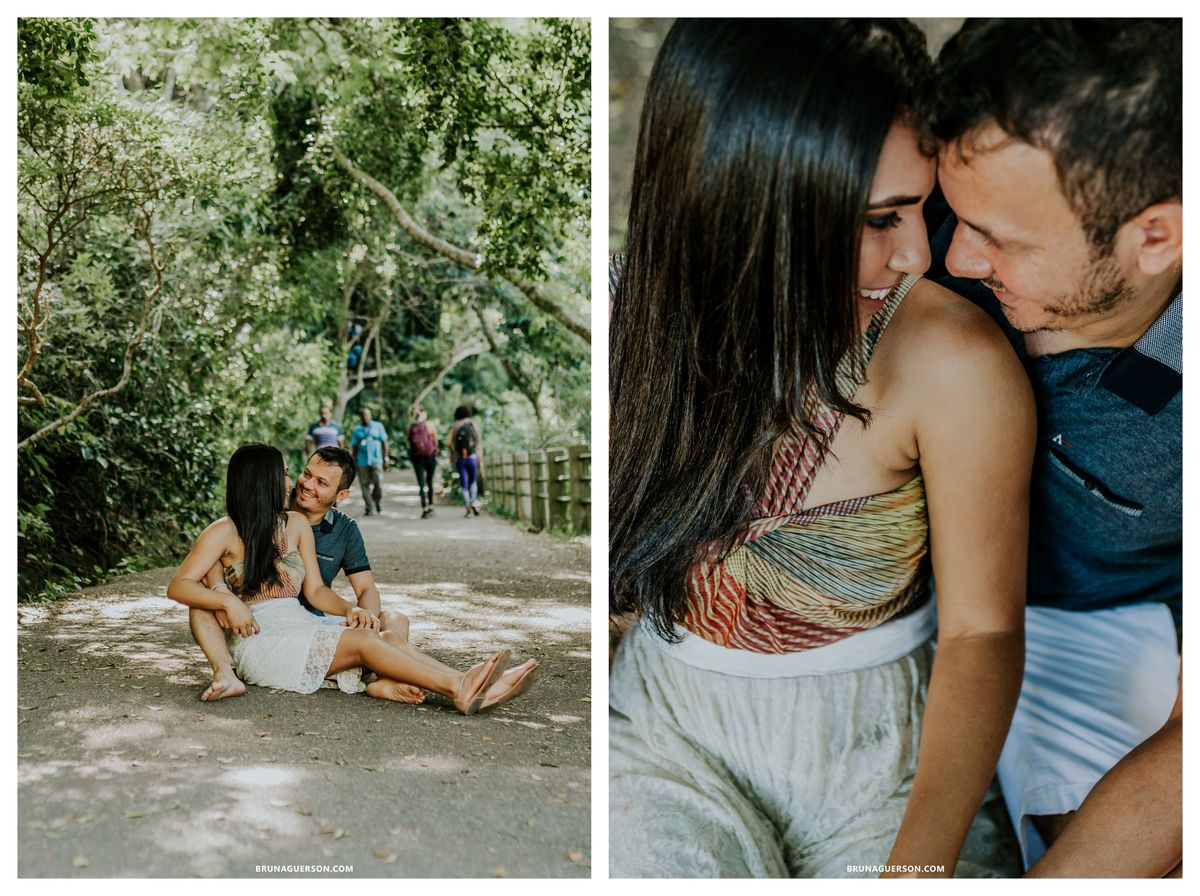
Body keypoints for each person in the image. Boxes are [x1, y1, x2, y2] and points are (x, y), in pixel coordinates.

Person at [608, 20, 1035, 878]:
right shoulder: (632, 332)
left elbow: (983, 630)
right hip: (667, 732)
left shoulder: (951, 360)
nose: (918, 253)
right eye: (880, 219)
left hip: (884, 756)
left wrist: (916, 872)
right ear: (746, 204)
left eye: (921, 206)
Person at [927, 19, 1182, 876]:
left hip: (1090, 621)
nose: (955, 257)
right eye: (951, 213)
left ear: (1157, 236)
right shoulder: (926, 208)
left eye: (1000, 238)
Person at [168, 444, 539, 713]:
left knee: (387, 634)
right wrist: (226, 599)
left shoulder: (295, 524)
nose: (292, 480)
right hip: (262, 638)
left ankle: (472, 680)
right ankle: (458, 687)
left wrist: (351, 610)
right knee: (365, 642)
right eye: (286, 473)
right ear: (263, 481)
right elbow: (179, 585)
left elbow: (316, 590)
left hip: (300, 623)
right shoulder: (223, 531)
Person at [351, 407, 389, 515]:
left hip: (376, 459)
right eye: (363, 415)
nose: (365, 417)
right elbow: (354, 447)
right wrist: (353, 461)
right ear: (360, 417)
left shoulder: (378, 426)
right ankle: (369, 507)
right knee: (364, 485)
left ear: (370, 415)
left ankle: (377, 501)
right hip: (362, 461)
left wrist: (386, 458)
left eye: (367, 415)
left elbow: (384, 442)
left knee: (378, 483)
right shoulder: (357, 430)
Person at [447, 405, 483, 518]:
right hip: (472, 458)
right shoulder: (474, 424)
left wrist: (454, 453)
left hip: (461, 459)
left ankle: (467, 508)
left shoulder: (456, 426)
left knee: (464, 484)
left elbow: (448, 443)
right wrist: (480, 459)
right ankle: (474, 501)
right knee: (473, 481)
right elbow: (479, 444)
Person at [407, 405, 439, 518]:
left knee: (421, 484)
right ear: (423, 413)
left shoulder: (411, 427)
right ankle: (431, 506)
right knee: (429, 482)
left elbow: (409, 442)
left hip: (417, 458)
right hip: (430, 456)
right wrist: (435, 452)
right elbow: (435, 441)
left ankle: (424, 508)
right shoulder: (429, 425)